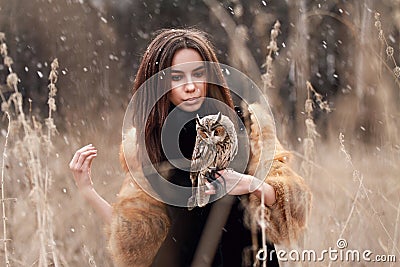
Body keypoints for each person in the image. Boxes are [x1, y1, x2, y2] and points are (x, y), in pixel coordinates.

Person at [69, 28, 312, 267]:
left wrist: (251, 185)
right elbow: (137, 238)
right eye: (177, 77)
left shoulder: (249, 125)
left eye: (198, 74)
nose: (190, 86)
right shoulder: (148, 146)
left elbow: (293, 206)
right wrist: (88, 191)